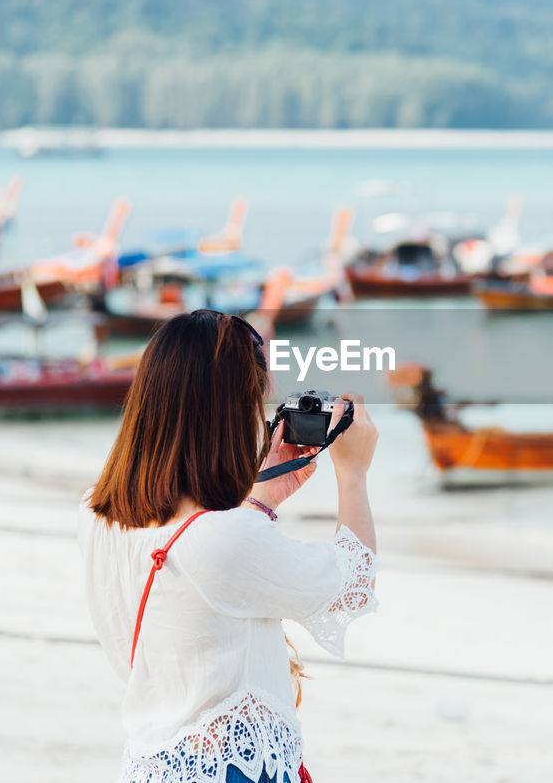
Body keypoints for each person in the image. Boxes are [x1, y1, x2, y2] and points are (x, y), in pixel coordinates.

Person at [77, 310, 379, 783]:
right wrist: (353, 472)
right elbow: (353, 584)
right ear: (228, 416)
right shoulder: (226, 540)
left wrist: (262, 499)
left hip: (151, 764)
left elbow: (195, 602)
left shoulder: (97, 517)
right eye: (255, 405)